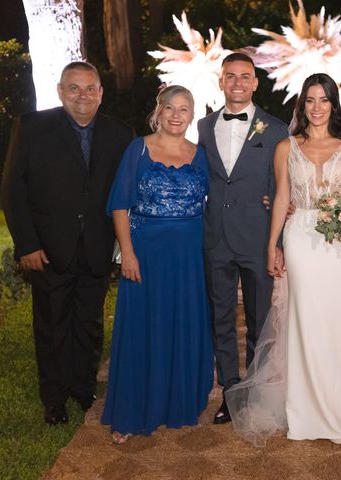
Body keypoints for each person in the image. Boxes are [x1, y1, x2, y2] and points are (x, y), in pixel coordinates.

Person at [226, 73, 341, 446]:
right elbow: (282, 198)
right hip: (300, 237)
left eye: (324, 100)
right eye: (310, 101)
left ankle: (336, 409)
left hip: (340, 244)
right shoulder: (286, 147)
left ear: (334, 105)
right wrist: (273, 246)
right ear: (302, 105)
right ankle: (303, 411)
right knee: (302, 322)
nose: (317, 108)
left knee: (338, 323)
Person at [1, 61, 133, 425]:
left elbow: (128, 191)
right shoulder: (32, 127)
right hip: (47, 248)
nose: (83, 96)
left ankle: (82, 388)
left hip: (97, 247)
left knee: (89, 324)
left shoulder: (120, 134)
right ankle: (54, 399)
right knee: (52, 325)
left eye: (90, 88)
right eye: (74, 88)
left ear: (101, 92)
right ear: (60, 91)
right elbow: (13, 190)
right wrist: (27, 244)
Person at [101, 85, 213, 443]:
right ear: (159, 110)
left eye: (184, 109)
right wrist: (127, 252)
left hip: (189, 254)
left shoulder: (200, 154)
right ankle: (132, 411)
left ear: (191, 115)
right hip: (146, 251)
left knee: (183, 322)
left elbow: (219, 201)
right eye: (171, 108)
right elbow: (120, 204)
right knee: (142, 326)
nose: (177, 115)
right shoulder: (139, 149)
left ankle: (178, 402)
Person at [197, 52, 288, 424]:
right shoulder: (202, 127)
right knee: (219, 317)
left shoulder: (277, 129)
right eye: (230, 76)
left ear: (255, 83)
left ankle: (254, 391)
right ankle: (229, 391)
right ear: (221, 81)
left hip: (257, 237)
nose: (237, 83)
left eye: (244, 76)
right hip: (215, 237)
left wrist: (278, 236)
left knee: (259, 318)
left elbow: (285, 183)